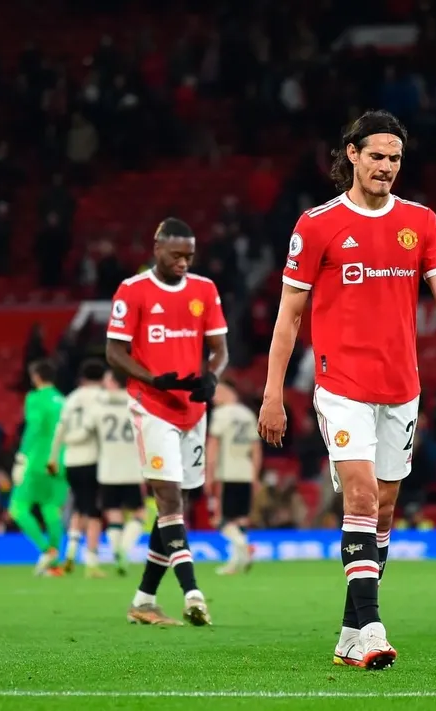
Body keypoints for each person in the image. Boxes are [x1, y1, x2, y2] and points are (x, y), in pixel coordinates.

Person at [257, 110, 436, 670]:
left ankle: (349, 632)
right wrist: (272, 392)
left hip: (401, 387)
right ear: (351, 155)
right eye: (376, 155)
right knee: (357, 497)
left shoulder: (421, 222)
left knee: (381, 512)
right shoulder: (317, 224)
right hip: (341, 384)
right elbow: (288, 318)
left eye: (395, 158)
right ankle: (374, 629)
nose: (386, 166)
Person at [106, 217, 229, 627]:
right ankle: (193, 593)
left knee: (177, 505)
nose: (183, 262)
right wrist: (152, 378)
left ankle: (143, 599)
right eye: (176, 255)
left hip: (192, 409)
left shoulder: (204, 290)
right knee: (170, 501)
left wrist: (212, 376)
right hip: (152, 406)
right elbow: (114, 351)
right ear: (156, 247)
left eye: (189, 256)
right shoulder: (133, 290)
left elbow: (219, 349)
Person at [8, 359, 68, 576]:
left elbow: (34, 427)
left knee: (18, 507)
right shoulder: (64, 400)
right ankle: (54, 564)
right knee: (51, 509)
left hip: (37, 462)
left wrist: (21, 457)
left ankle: (46, 551)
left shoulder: (35, 398)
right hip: (61, 461)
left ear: (36, 377)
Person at [47, 358, 105, 576]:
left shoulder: (70, 399)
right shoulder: (102, 398)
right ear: (103, 378)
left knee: (80, 506)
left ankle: (70, 554)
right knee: (94, 510)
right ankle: (91, 561)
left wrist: (53, 458)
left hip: (71, 461)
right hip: (94, 460)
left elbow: (59, 430)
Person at [88, 368, 146, 576]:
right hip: (132, 467)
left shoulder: (99, 404)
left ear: (112, 381)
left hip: (108, 468)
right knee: (139, 513)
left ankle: (115, 550)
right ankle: (125, 548)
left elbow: (88, 427)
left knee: (113, 513)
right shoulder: (136, 402)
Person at [206, 379, 261, 575]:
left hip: (226, 473)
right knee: (241, 519)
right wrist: (255, 475)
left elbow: (213, 447)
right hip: (245, 472)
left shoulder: (221, 415)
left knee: (220, 519)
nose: (213, 399)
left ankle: (243, 546)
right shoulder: (248, 415)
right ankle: (234, 562)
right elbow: (256, 449)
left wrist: (209, 475)